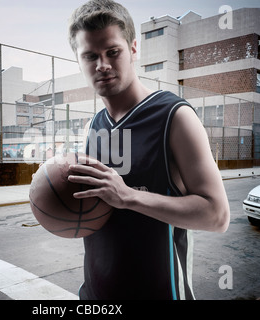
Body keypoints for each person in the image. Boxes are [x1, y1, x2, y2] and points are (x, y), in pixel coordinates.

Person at [66, 0, 230, 300]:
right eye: (90, 56)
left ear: (132, 48)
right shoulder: (94, 124)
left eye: (112, 52)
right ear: (79, 60)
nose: (102, 65)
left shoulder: (174, 116)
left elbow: (217, 215)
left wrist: (128, 197)